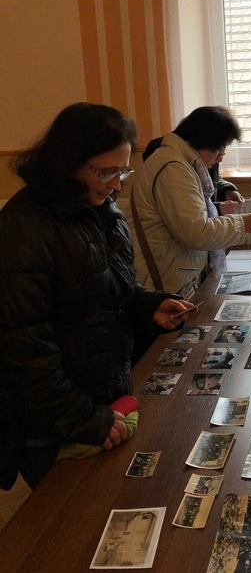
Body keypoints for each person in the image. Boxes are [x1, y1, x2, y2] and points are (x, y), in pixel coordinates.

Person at [0, 103, 196, 490]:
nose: (117, 184)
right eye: (106, 172)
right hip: (56, 424)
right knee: (68, 519)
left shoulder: (102, 208)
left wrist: (148, 305)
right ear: (67, 163)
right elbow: (25, 354)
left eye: (122, 170)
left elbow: (111, 291)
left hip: (104, 401)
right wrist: (87, 420)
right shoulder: (23, 229)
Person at [129, 106, 251, 298]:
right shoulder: (174, 168)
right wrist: (241, 224)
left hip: (172, 272)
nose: (221, 155)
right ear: (206, 141)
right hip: (164, 279)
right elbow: (197, 232)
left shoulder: (179, 162)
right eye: (221, 147)